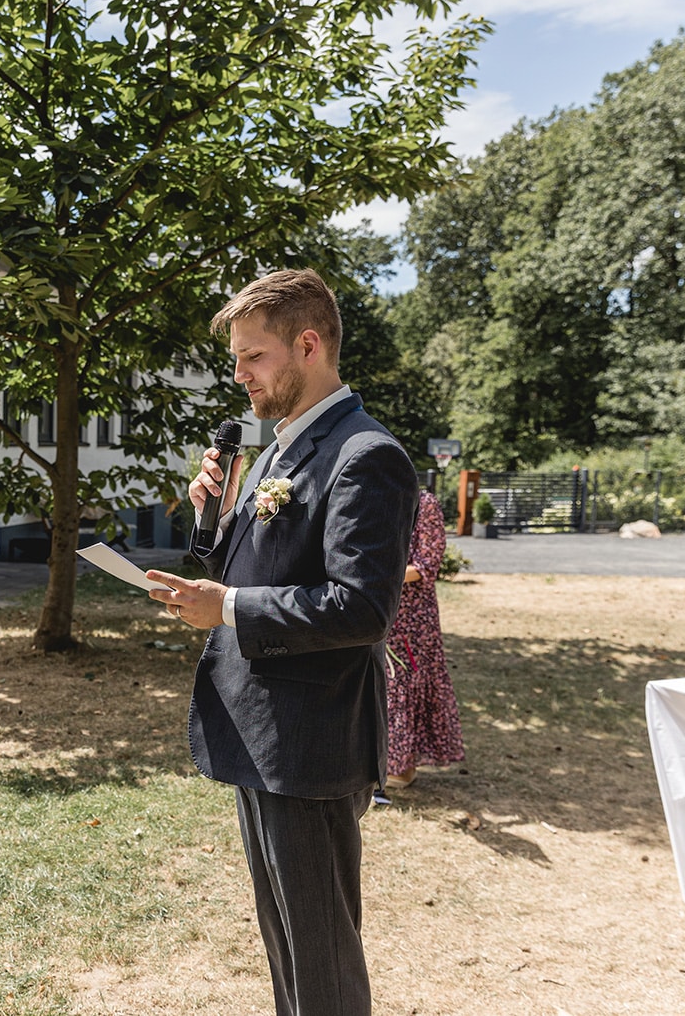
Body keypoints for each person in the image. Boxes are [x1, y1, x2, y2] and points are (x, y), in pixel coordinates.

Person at [145, 269, 418, 1016]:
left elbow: (360, 607)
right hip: (260, 732)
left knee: (322, 957)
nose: (240, 376)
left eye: (252, 356)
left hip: (313, 740)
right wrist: (211, 516)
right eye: (236, 359)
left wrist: (226, 606)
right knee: (285, 946)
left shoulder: (366, 455)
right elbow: (245, 565)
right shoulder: (273, 454)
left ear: (307, 344)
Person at [381, 489, 465, 794]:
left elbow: (427, 564)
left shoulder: (423, 503)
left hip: (413, 613)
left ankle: (402, 767)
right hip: (379, 604)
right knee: (386, 684)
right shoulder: (374, 498)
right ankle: (388, 761)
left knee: (405, 681)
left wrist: (378, 576)